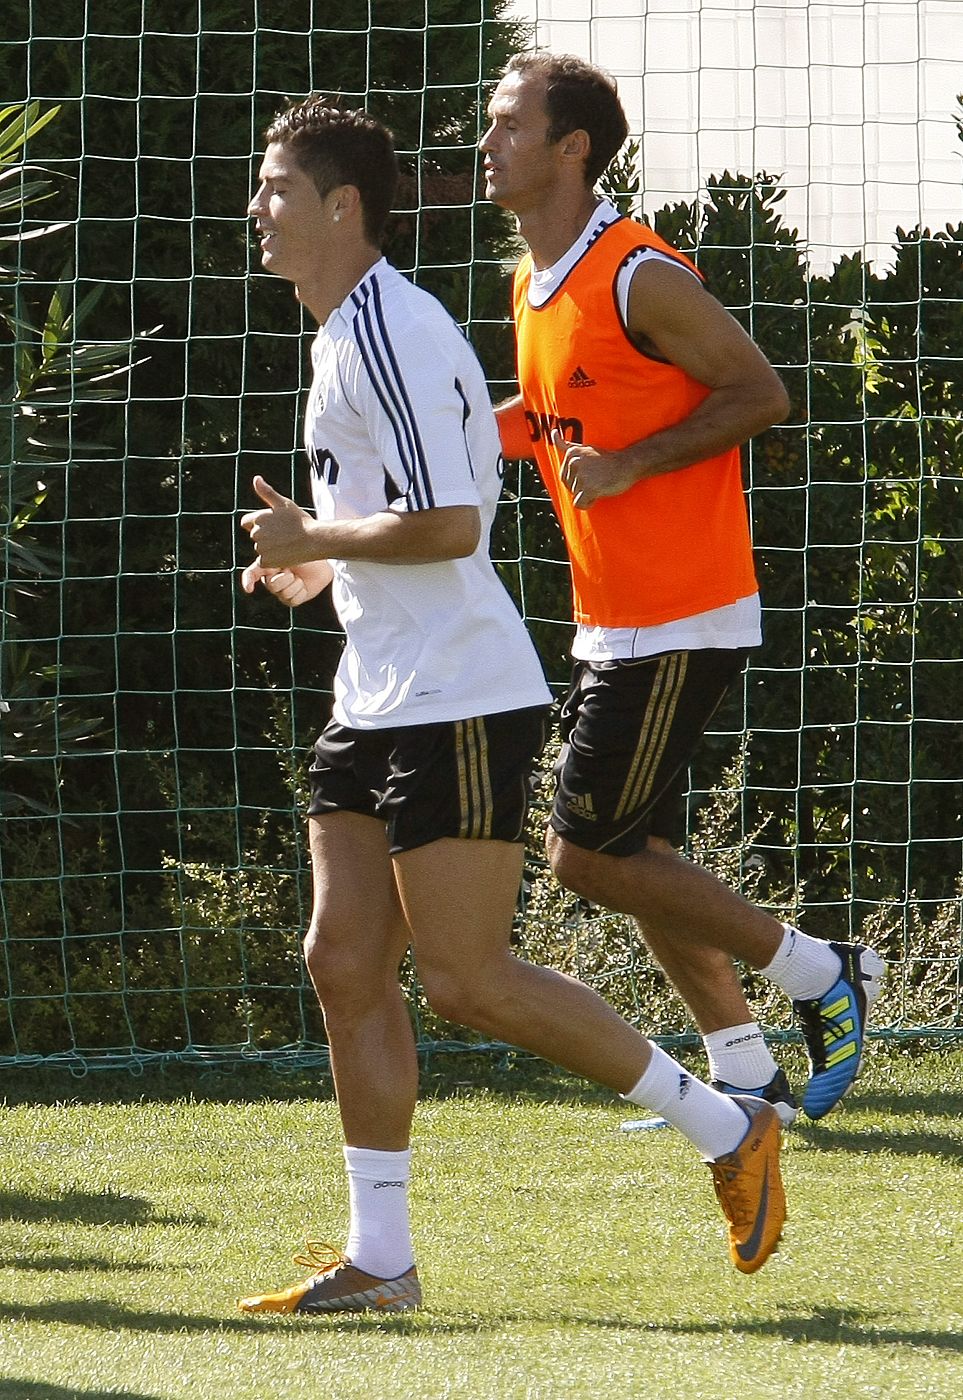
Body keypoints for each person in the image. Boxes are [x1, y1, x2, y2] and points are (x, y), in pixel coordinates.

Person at [236, 94, 787, 1318]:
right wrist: (313, 566)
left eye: (275, 190)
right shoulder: (337, 337)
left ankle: (724, 1122)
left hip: (461, 699)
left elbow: (453, 527)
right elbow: (396, 518)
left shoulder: (397, 328)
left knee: (468, 978)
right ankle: (382, 1260)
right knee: (341, 958)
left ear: (342, 207)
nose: (255, 213)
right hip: (373, 692)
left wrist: (316, 530)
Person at [480, 51, 885, 1128]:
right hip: (610, 616)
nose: (487, 141)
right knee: (635, 856)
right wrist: (451, 431)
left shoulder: (638, 271)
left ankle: (819, 968)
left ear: (573, 147)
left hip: (682, 609)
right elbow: (548, 419)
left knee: (584, 852)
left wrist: (633, 464)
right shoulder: (530, 280)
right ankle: (744, 1073)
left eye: (510, 122)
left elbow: (762, 391)